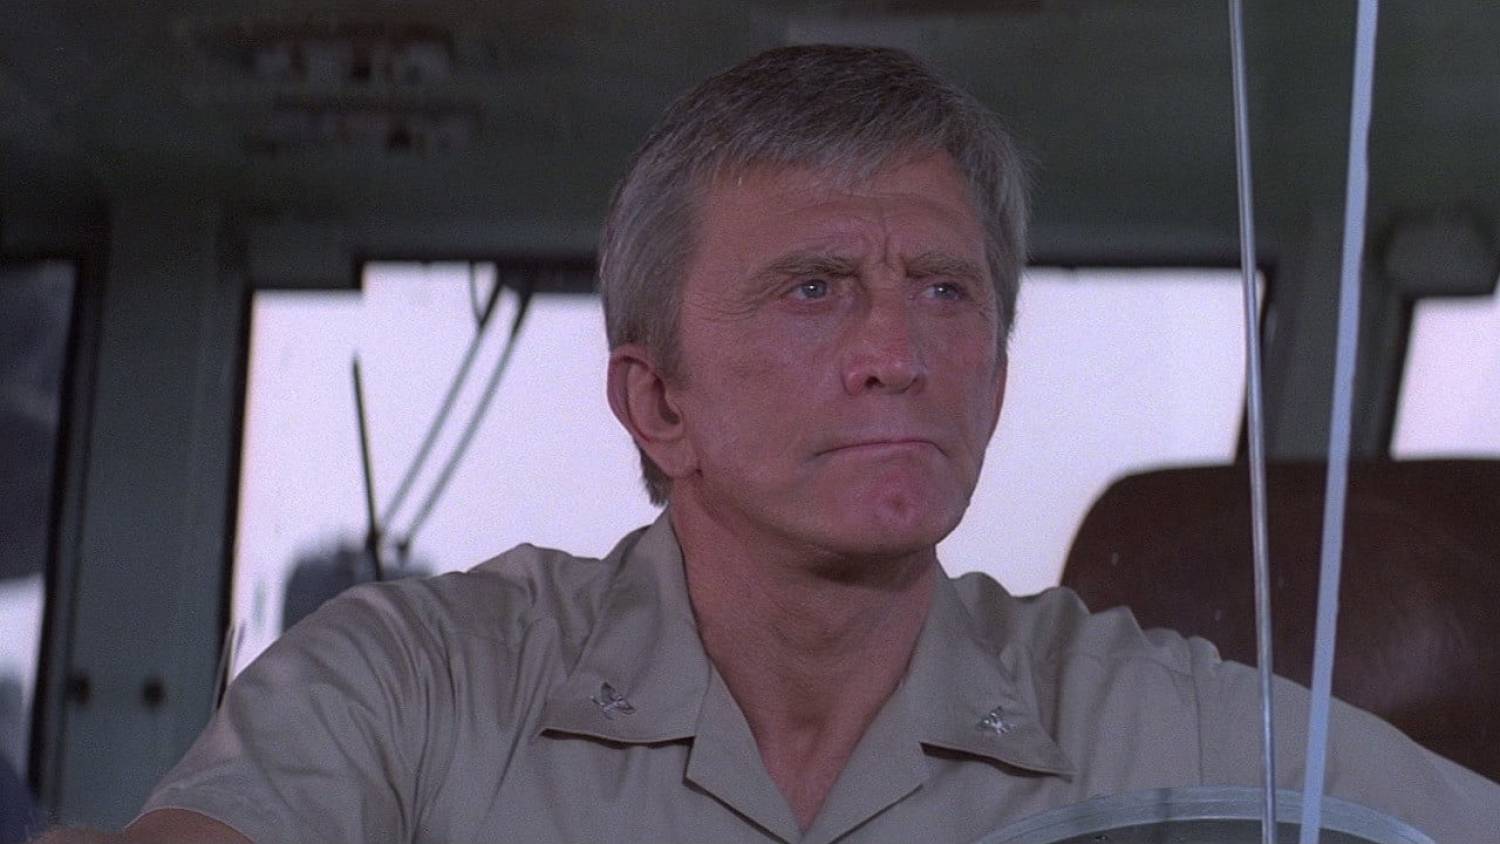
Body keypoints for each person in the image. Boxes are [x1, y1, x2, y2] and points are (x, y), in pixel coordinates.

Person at [39, 44, 1500, 844]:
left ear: (995, 382)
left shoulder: (1156, 723)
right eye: (815, 289)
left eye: (948, 291)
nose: (897, 350)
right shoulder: (422, 687)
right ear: (656, 404)